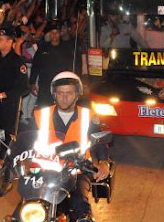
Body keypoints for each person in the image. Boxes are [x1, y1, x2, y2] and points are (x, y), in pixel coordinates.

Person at [32, 72, 110, 220]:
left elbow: (99, 141)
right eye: (60, 93)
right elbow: (25, 141)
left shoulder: (88, 115)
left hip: (77, 172)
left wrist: (103, 162)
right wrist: (4, 162)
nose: (64, 97)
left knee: (80, 205)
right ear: (54, 94)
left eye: (69, 93)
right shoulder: (40, 115)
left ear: (77, 94)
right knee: (28, 207)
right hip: (44, 172)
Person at [0, 27, 29, 168]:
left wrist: (1, 96)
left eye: (0, 39)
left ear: (10, 42)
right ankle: (3, 159)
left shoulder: (18, 61)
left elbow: (23, 88)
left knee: (6, 137)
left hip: (8, 106)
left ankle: (9, 164)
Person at [29, 21, 75, 108]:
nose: (54, 35)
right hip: (45, 84)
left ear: (60, 34)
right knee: (44, 107)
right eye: (52, 33)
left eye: (56, 33)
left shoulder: (66, 48)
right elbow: (36, 65)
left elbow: (71, 66)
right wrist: (32, 82)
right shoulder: (43, 48)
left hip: (61, 83)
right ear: (49, 34)